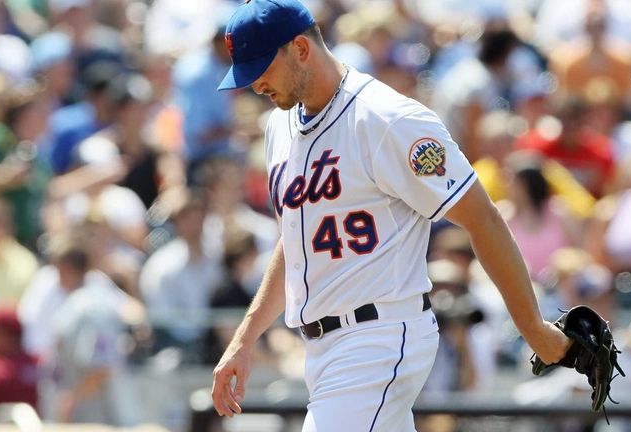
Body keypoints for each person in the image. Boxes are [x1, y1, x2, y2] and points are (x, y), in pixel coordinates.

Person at [210, 1, 571, 431]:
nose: (256, 86)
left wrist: (533, 327)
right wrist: (245, 337)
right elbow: (296, 240)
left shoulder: (387, 118)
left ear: (301, 49)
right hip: (324, 351)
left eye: (261, 68)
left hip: (379, 337)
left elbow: (482, 218)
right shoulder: (279, 127)